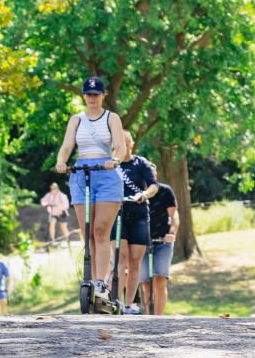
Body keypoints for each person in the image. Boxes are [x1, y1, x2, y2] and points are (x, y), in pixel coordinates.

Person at [54, 76, 127, 293]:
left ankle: (100, 282)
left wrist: (114, 161)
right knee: (88, 234)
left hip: (105, 173)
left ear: (103, 95)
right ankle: (92, 279)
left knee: (101, 229)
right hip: (81, 173)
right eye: (88, 94)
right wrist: (61, 162)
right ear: (84, 96)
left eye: (96, 94)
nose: (92, 98)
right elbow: (67, 146)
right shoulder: (76, 120)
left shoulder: (111, 118)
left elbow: (121, 148)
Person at [111, 130, 159, 313]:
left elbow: (153, 185)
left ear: (131, 144)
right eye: (118, 143)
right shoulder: (111, 165)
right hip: (117, 214)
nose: (122, 147)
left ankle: (129, 304)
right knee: (120, 258)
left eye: (125, 143)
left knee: (134, 262)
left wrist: (144, 194)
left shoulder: (141, 163)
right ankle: (116, 302)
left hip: (139, 214)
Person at [140, 172, 179, 315]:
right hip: (142, 242)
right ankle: (148, 318)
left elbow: (174, 215)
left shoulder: (165, 191)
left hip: (162, 242)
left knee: (160, 281)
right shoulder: (137, 192)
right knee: (145, 284)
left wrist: (172, 233)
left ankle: (159, 318)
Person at [39, 183, 71, 249]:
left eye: (53, 188)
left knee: (63, 227)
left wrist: (57, 206)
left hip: (62, 213)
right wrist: (46, 203)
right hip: (53, 213)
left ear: (57, 189)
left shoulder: (62, 195)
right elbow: (43, 201)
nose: (52, 190)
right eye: (51, 188)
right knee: (51, 225)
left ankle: (68, 240)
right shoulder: (49, 195)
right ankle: (53, 240)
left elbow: (66, 205)